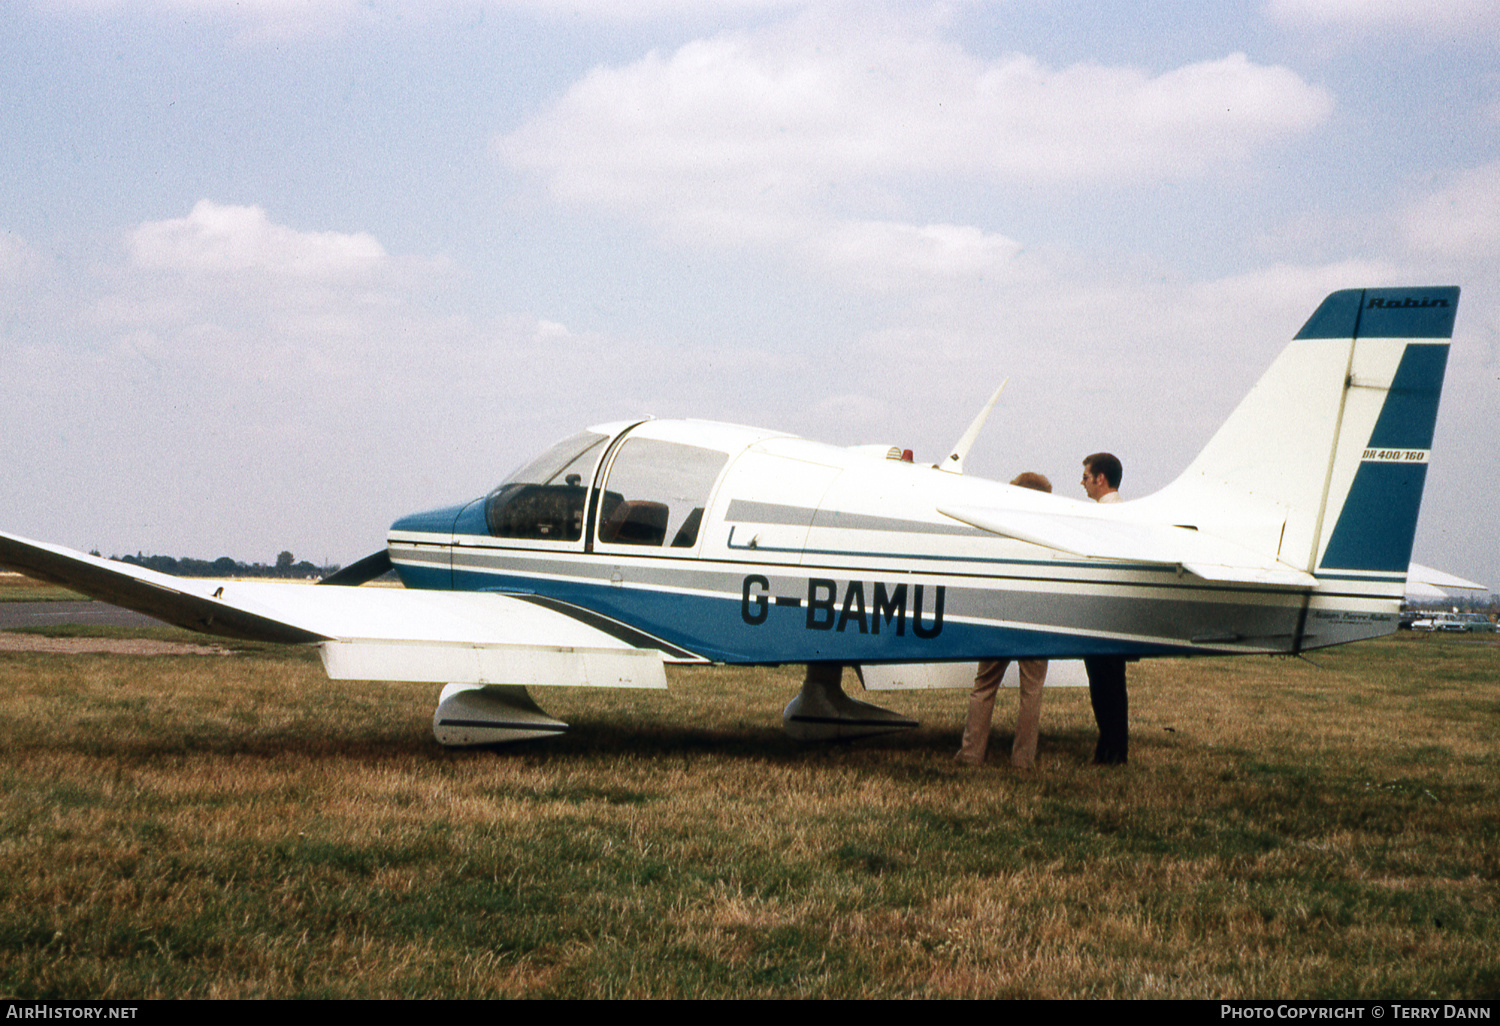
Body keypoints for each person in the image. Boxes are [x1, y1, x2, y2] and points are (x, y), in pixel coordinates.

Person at [956, 471, 1053, 769]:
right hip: (1037, 618)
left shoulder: (999, 526)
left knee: (984, 685)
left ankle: (971, 753)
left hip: (1000, 614)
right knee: (1032, 690)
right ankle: (1023, 759)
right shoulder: (1050, 532)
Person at [1081, 452, 1129, 765]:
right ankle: (1112, 748)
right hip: (1116, 614)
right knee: (1113, 686)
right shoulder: (1122, 512)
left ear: (1100, 479)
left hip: (1103, 613)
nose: (1082, 483)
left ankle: (1111, 750)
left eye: (1085, 477)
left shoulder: (1104, 516)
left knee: (1104, 687)